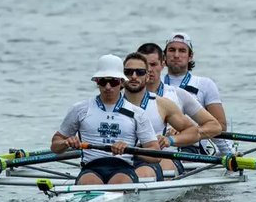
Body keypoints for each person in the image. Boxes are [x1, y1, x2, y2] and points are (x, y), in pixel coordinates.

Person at [51, 54, 160, 185]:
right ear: (97, 81)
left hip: (123, 169)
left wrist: (130, 149)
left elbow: (156, 154)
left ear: (121, 82)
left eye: (113, 81)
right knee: (89, 182)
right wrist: (65, 143)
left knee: (119, 183)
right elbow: (55, 146)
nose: (108, 87)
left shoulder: (137, 113)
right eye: (103, 81)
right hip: (91, 168)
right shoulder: (80, 109)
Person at [120, 52, 204, 180]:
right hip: (122, 159)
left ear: (148, 76)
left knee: (149, 171)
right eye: (128, 72)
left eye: (140, 72)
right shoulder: (110, 105)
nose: (134, 76)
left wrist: (169, 140)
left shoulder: (162, 104)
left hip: (158, 159)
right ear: (121, 76)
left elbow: (194, 132)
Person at [135, 42, 224, 156]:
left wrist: (179, 136)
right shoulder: (125, 96)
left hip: (176, 154)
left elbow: (215, 127)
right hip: (139, 152)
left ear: (163, 64)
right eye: (144, 66)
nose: (149, 70)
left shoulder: (178, 94)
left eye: (153, 64)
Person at [162, 33, 230, 154]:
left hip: (194, 149)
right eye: (172, 50)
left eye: (182, 51)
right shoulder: (155, 84)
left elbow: (221, 126)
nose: (176, 55)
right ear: (164, 56)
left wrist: (186, 131)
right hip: (160, 145)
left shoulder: (205, 84)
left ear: (190, 56)